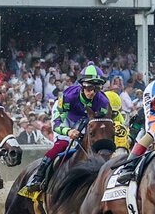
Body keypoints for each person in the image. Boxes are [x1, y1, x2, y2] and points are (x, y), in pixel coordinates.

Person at [23, 63, 114, 196]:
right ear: (82, 85)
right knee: (63, 144)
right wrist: (68, 131)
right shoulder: (69, 96)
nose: (92, 92)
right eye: (88, 87)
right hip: (66, 119)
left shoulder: (103, 101)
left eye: (96, 88)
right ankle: (38, 177)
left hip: (87, 121)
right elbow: (57, 124)